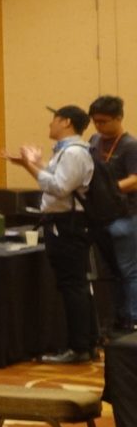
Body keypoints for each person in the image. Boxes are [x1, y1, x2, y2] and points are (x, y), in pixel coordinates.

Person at [10, 106, 97, 365]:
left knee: (73, 286)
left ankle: (79, 347)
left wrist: (30, 166)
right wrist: (34, 164)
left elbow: (59, 187)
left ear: (66, 122)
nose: (50, 124)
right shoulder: (67, 152)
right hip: (66, 224)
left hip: (68, 225)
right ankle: (86, 343)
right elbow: (56, 178)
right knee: (75, 285)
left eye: (54, 120)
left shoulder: (73, 153)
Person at [84, 95, 136, 334]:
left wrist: (108, 189)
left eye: (104, 121)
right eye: (95, 121)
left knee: (128, 270)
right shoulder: (94, 141)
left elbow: (135, 180)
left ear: (119, 118)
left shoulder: (130, 145)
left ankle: (132, 319)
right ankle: (117, 317)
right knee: (111, 272)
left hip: (126, 216)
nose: (99, 126)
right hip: (99, 216)